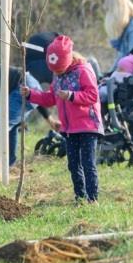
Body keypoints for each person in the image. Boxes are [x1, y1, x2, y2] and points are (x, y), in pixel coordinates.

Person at [21, 35, 103, 202]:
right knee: (73, 165)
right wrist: (31, 94)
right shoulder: (57, 76)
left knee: (88, 164)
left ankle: (92, 198)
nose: (57, 73)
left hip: (88, 125)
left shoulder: (83, 71)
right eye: (54, 71)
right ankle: (80, 197)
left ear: (68, 60)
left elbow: (93, 95)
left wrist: (72, 96)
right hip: (69, 128)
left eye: (59, 70)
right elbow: (51, 98)